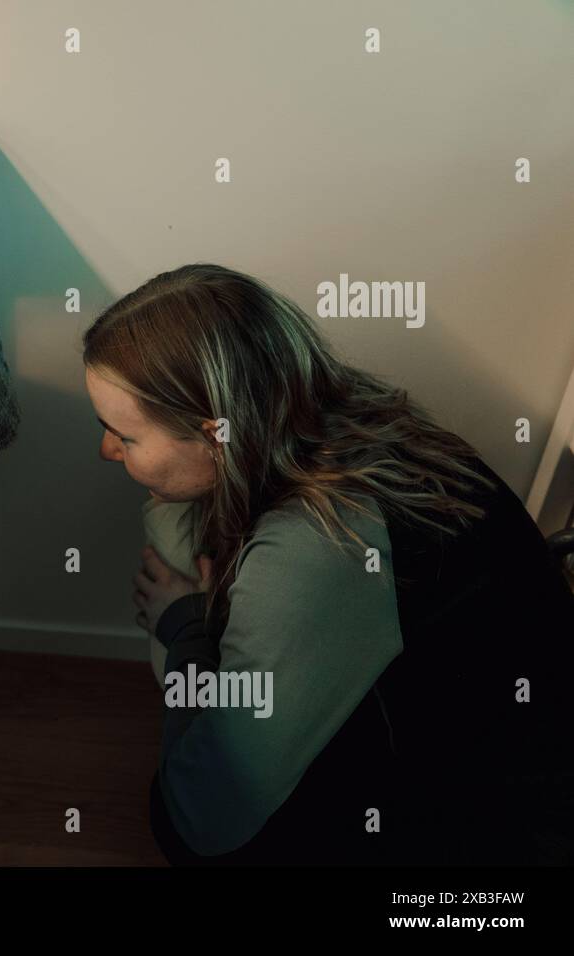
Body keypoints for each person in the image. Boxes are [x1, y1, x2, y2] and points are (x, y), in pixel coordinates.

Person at [82, 263, 574, 866]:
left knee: (176, 818)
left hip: (502, 847)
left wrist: (189, 629)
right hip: (514, 728)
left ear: (216, 436)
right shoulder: (350, 417)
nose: (105, 449)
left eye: (124, 437)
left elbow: (201, 820)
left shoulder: (316, 544)